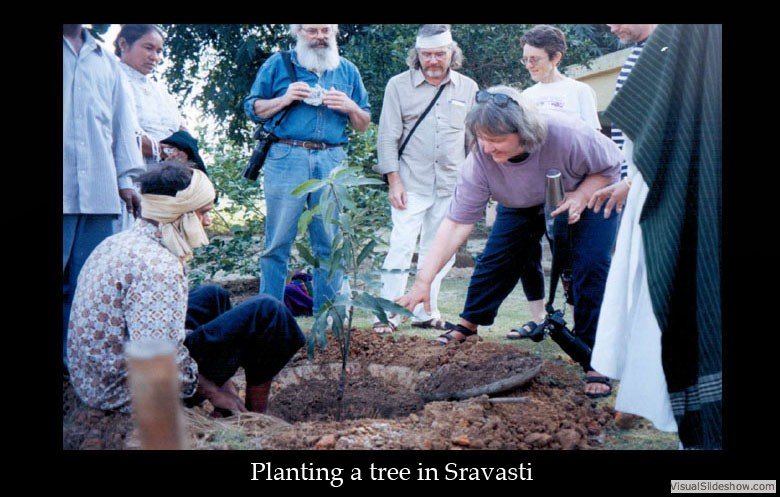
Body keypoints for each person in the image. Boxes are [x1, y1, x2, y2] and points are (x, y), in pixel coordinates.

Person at [397, 86, 622, 397]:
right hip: (520, 202)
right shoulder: (480, 159)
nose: (488, 148)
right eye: (481, 138)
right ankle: (468, 324)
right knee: (496, 258)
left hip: (587, 192)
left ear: (525, 133)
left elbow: (611, 166)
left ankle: (593, 354)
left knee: (591, 265)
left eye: (497, 140)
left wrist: (580, 196)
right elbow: (457, 223)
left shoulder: (567, 133)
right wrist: (423, 281)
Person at [67, 163, 306, 414]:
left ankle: (233, 395)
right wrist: (214, 392)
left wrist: (220, 379)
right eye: (203, 213)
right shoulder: (159, 267)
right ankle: (254, 416)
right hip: (125, 390)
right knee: (268, 312)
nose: (208, 221)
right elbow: (158, 360)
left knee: (214, 296)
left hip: (98, 379)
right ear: (179, 214)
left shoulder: (119, 242)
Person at [590, 24, 722, 449]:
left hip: (690, 199)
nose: (610, 26)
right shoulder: (651, 53)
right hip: (658, 192)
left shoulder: (686, 45)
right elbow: (650, 144)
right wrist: (630, 185)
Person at [243, 24, 371, 314]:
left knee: (329, 243)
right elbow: (252, 108)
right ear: (299, 32)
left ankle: (326, 320)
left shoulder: (347, 70)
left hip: (331, 161)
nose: (319, 37)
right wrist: (285, 98)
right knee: (277, 243)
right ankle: (268, 319)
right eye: (312, 30)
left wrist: (350, 106)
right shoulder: (279, 64)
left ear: (334, 32)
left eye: (325, 30)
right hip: (287, 156)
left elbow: (363, 123)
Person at [371, 24, 478, 334]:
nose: (433, 61)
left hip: (452, 184)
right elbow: (387, 137)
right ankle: (387, 314)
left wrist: (474, 183)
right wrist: (394, 181)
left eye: (440, 54)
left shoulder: (468, 87)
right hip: (410, 182)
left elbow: (474, 140)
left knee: (440, 250)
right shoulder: (397, 85)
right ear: (416, 55)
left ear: (451, 53)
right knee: (401, 245)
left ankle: (424, 311)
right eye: (427, 54)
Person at [506, 24, 602, 340]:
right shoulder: (526, 96)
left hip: (571, 191)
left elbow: (595, 142)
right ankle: (537, 318)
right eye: (525, 59)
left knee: (571, 259)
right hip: (531, 191)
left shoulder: (579, 92)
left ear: (556, 57)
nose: (529, 65)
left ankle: (576, 323)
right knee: (526, 253)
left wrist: (583, 191)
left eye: (535, 59)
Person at [63, 24, 145, 370]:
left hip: (98, 189)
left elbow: (121, 123)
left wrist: (126, 179)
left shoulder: (105, 62)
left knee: (89, 286)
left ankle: (77, 365)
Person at [114, 24, 204, 231]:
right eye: (148, 48)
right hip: (131, 178)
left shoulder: (160, 91)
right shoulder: (115, 81)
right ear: (124, 44)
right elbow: (124, 135)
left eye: (159, 50)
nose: (155, 57)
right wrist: (166, 151)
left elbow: (182, 129)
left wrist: (183, 152)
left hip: (166, 183)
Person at [606, 24, 657, 179]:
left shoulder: (662, 51)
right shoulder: (641, 50)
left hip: (646, 174)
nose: (613, 29)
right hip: (632, 173)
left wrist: (632, 181)